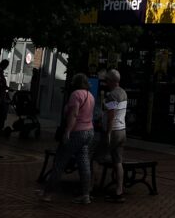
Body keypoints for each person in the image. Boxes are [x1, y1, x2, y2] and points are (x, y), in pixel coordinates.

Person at [40, 73, 95, 204]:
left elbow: (74, 114)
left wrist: (68, 131)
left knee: (60, 162)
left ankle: (47, 193)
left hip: (76, 132)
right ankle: (86, 194)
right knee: (84, 163)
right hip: (89, 131)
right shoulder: (90, 96)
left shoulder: (76, 95)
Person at [98, 69, 128, 203]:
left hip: (114, 130)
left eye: (107, 80)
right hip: (122, 130)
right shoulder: (123, 92)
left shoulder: (112, 95)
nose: (105, 82)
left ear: (111, 81)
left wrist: (108, 132)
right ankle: (119, 190)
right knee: (118, 161)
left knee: (96, 157)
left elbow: (111, 115)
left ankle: (91, 188)